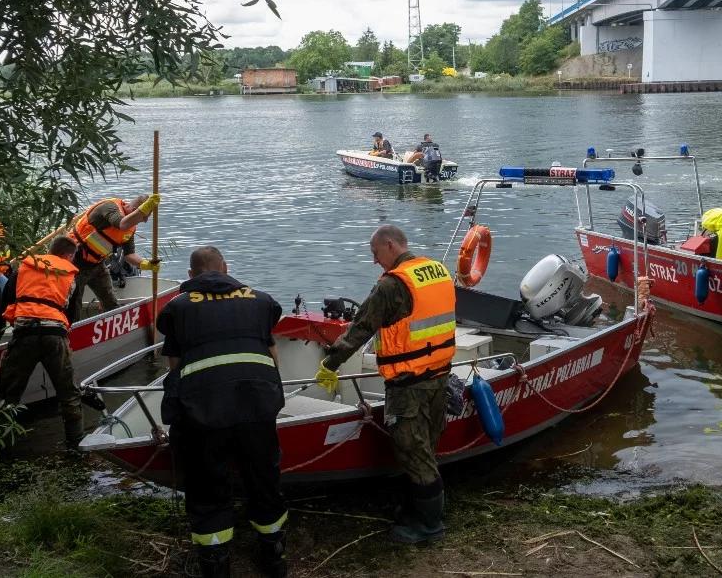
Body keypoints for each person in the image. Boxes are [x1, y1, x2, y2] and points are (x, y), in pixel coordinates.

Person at [317, 224, 455, 544]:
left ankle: (429, 528)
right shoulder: (436, 270)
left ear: (389, 245)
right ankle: (414, 509)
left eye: (375, 253)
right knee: (426, 450)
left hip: (409, 385)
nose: (375, 261)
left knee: (413, 454)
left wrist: (330, 363)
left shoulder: (392, 285)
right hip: (439, 376)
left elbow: (361, 328)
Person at [156, 246, 287, 578]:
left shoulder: (177, 308)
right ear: (226, 269)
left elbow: (175, 368)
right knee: (264, 479)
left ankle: (216, 564)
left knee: (206, 484)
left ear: (190, 276)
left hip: (204, 411)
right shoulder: (259, 300)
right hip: (257, 404)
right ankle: (274, 557)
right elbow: (273, 357)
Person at [0, 236, 84, 448]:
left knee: (8, 395)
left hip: (24, 335)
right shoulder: (71, 276)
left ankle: (1, 445)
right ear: (69, 256)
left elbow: (1, 310)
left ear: (50, 251)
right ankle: (76, 444)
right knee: (68, 394)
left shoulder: (23, 269)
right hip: (55, 337)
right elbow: (72, 315)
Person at [65, 194, 160, 321]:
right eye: (144, 216)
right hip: (75, 261)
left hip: (97, 264)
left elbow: (129, 255)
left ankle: (112, 330)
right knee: (74, 303)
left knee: (110, 301)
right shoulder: (110, 207)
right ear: (134, 210)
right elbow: (122, 224)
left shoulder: (130, 229)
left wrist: (146, 264)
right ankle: (71, 332)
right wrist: (145, 207)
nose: (145, 221)